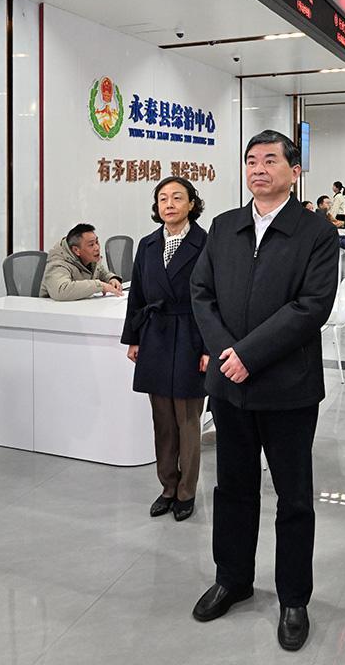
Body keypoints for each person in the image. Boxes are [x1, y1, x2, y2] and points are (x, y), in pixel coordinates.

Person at [189, 130, 338, 652]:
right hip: (229, 387)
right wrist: (226, 352)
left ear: (294, 171)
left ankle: (294, 597)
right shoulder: (224, 226)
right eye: (251, 160)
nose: (258, 168)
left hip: (288, 387)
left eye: (270, 160)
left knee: (294, 497)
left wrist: (247, 356)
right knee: (232, 488)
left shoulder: (315, 231)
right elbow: (201, 293)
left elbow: (312, 306)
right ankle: (232, 579)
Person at [121, 177, 210, 522]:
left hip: (191, 335)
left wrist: (209, 347)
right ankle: (168, 486)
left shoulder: (206, 243)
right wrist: (134, 338)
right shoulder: (147, 244)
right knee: (162, 420)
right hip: (155, 335)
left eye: (177, 198)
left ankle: (186, 491)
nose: (169, 204)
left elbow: (214, 298)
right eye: (162, 199)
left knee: (187, 420)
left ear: (192, 204)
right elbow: (137, 296)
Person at [39, 223, 123, 300]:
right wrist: (99, 285)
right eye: (91, 245)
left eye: (97, 242)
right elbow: (61, 290)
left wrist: (112, 279)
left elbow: (103, 273)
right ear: (76, 250)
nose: (97, 248)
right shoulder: (58, 263)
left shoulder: (91, 260)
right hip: (54, 310)